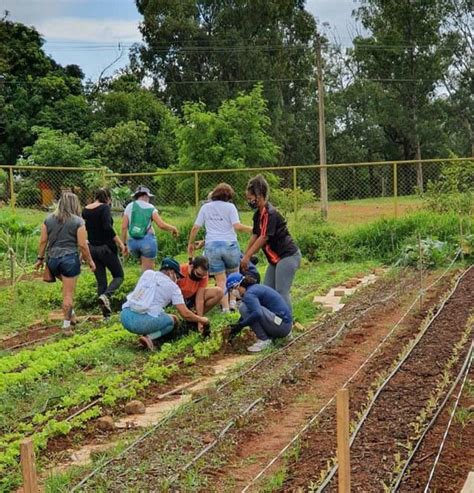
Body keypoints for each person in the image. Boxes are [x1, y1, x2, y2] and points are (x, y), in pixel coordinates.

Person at [187, 183, 252, 312]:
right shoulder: (230, 207)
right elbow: (237, 226)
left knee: (220, 281)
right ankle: (233, 303)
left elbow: (195, 227)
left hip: (212, 247)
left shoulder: (206, 207)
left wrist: (191, 243)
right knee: (234, 275)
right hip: (230, 245)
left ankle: (225, 309)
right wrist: (253, 229)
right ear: (229, 196)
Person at [35, 192, 96, 329]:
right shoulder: (78, 221)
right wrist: (90, 261)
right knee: (68, 294)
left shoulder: (48, 219)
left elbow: (43, 241)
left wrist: (40, 259)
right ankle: (66, 326)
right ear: (75, 205)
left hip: (52, 261)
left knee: (67, 288)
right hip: (69, 260)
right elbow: (82, 245)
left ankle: (72, 316)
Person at [121, 257, 209, 351]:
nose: (177, 280)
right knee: (172, 320)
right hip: (141, 323)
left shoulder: (148, 273)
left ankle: (147, 334)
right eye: (177, 276)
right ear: (171, 272)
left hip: (125, 316)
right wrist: (202, 320)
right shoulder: (173, 287)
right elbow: (185, 314)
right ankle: (149, 338)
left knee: (158, 314)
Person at [241, 175, 301, 308]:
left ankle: (286, 324)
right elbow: (255, 236)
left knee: (281, 292)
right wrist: (244, 256)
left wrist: (247, 256)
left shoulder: (270, 213)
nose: (250, 201)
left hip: (287, 256)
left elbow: (264, 237)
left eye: (251, 198)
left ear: (259, 195)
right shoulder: (258, 215)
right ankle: (271, 322)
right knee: (267, 292)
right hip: (275, 260)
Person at [82, 189, 126, 318]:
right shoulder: (104, 208)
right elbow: (107, 227)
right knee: (119, 276)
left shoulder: (85, 210)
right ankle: (106, 296)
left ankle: (105, 317)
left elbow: (84, 229)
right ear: (107, 198)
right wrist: (120, 243)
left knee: (101, 282)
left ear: (95, 196)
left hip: (92, 249)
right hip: (105, 248)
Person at [226, 273, 292, 353]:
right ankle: (274, 336)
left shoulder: (249, 294)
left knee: (243, 307)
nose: (232, 293)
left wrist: (241, 325)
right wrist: (237, 326)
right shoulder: (254, 288)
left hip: (282, 327)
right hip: (284, 325)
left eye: (231, 290)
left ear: (237, 286)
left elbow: (257, 313)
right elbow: (251, 312)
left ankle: (264, 340)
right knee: (247, 308)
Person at [121, 186, 179, 271]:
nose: (149, 199)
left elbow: (123, 227)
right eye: (148, 197)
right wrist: (173, 228)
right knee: (148, 273)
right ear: (145, 196)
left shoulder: (129, 206)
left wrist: (124, 245)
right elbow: (161, 225)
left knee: (142, 267)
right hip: (147, 242)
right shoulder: (150, 207)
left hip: (132, 243)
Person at [177, 256, 223, 333]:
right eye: (198, 274)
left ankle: (194, 319)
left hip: (192, 297)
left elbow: (199, 299)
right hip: (178, 299)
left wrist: (200, 320)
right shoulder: (180, 270)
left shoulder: (203, 275)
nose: (200, 277)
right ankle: (186, 318)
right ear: (192, 267)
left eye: (203, 276)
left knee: (219, 292)